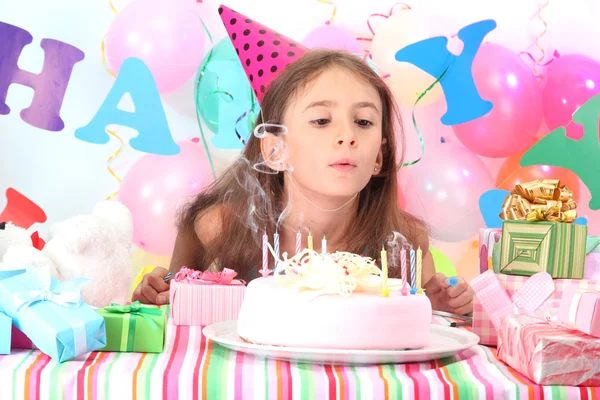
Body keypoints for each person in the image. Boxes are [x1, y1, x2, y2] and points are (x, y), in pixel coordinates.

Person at [132, 47, 474, 315]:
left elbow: (424, 318)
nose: (346, 136)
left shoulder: (403, 243)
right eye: (322, 120)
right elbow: (172, 313)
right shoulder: (216, 228)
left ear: (379, 157)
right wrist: (156, 295)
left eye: (364, 122)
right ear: (275, 150)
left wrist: (440, 307)